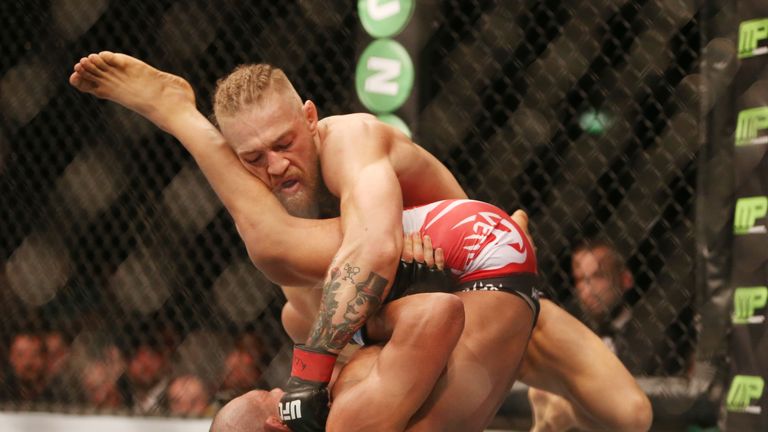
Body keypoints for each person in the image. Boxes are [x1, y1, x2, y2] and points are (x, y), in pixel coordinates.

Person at [69, 52, 651, 431]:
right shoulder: (272, 187)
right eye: (251, 157)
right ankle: (540, 402)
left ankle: (180, 115)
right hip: (443, 300)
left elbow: (373, 249)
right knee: (297, 310)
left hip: (470, 266)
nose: (273, 166)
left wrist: (303, 383)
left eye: (283, 143)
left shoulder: (350, 140)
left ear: (311, 118)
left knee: (630, 415)